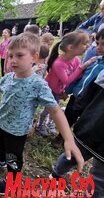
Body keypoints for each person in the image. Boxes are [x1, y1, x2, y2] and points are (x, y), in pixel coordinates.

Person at [0, 33, 84, 195]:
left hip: (16, 132)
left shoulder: (38, 85)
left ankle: (12, 180)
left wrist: (68, 139)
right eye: (10, 56)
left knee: (13, 157)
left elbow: (56, 111)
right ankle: (1, 159)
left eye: (19, 55)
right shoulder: (9, 77)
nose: (13, 60)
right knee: (0, 148)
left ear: (34, 57)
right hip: (1, 123)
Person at [50, 70, 104, 198]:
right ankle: (56, 174)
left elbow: (85, 97)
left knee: (98, 176)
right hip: (91, 127)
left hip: (89, 127)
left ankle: (56, 174)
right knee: (74, 156)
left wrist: (77, 111)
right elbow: (87, 95)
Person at [52, 28, 104, 148]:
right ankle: (61, 137)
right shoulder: (94, 61)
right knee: (69, 117)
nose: (99, 47)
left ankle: (76, 142)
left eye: (103, 44)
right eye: (97, 43)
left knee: (84, 122)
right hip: (76, 97)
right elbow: (79, 78)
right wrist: (67, 91)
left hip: (91, 102)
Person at [36, 30, 95, 137]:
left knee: (56, 107)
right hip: (50, 89)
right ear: (71, 47)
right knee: (49, 109)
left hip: (59, 90)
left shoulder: (76, 60)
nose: (88, 46)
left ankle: (50, 124)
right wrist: (82, 67)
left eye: (88, 43)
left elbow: (76, 77)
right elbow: (67, 80)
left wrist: (65, 91)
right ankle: (39, 125)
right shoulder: (58, 63)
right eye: (84, 43)